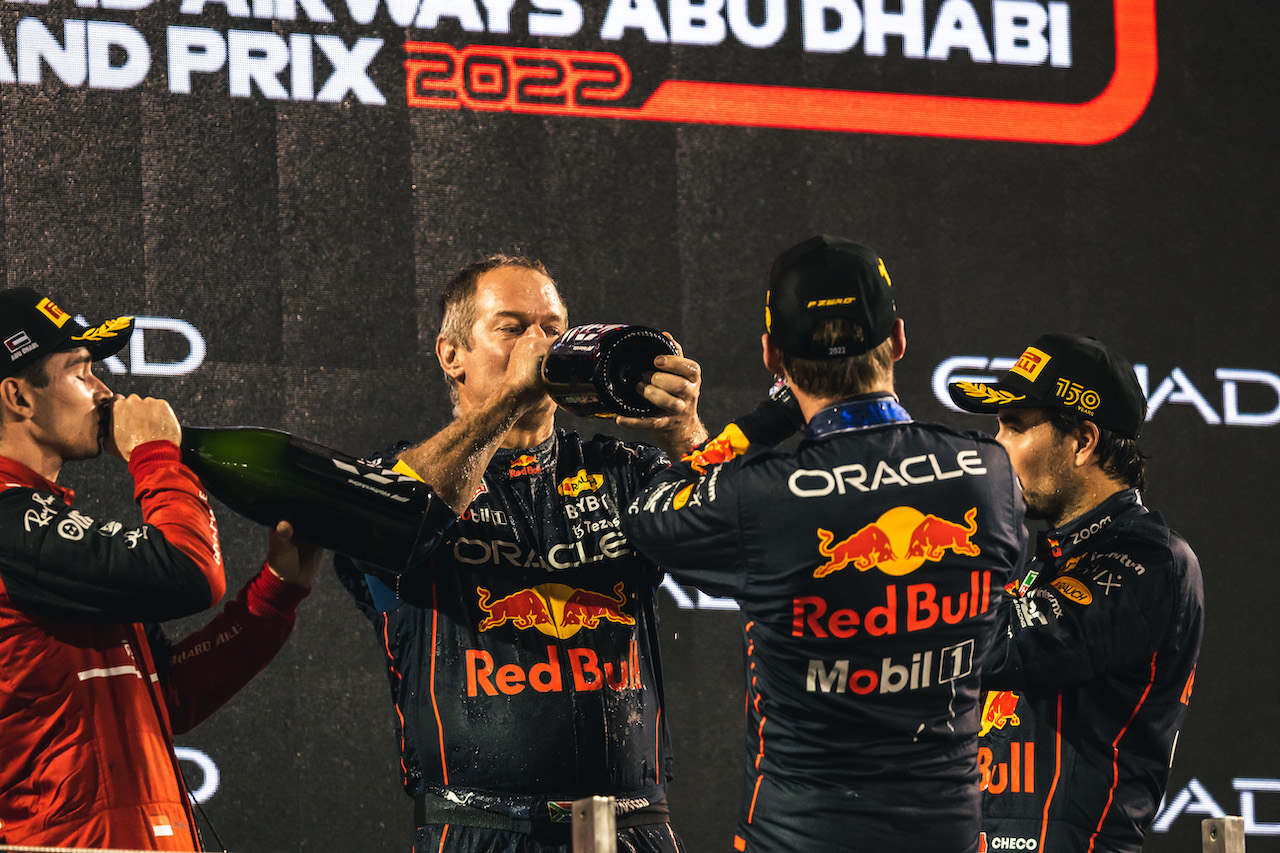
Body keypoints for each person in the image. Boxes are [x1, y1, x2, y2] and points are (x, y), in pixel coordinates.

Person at [623, 235, 1026, 853]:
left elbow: (651, 512)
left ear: (771, 357)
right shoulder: (990, 473)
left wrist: (764, 422)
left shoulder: (758, 497)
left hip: (800, 837)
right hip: (945, 832)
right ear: (897, 338)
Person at [333, 254, 706, 852]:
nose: (540, 345)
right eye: (511, 328)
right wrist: (507, 400)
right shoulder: (396, 477)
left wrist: (685, 436)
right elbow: (388, 528)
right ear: (451, 354)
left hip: (630, 828)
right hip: (480, 831)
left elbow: (741, 556)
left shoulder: (627, 472)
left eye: (553, 328)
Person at [0, 287, 323, 852]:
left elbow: (166, 693)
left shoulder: (40, 526)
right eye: (81, 372)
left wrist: (276, 594)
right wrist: (154, 454)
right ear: (18, 398)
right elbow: (189, 569)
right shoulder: (5, 521)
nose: (105, 391)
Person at [948, 333, 1204, 852]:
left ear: (1083, 442)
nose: (994, 446)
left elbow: (1003, 647)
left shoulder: (1150, 561)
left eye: (1015, 427)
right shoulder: (1040, 557)